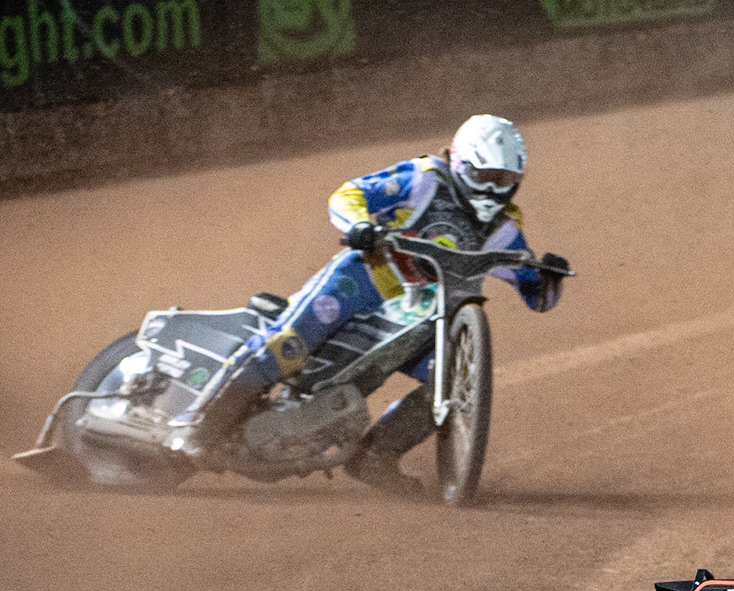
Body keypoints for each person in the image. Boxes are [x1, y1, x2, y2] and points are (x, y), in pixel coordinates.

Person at [171, 114, 568, 494]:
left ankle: (374, 457)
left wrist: (549, 275)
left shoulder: (503, 229)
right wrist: (360, 225)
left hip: (421, 317)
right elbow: (350, 194)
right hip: (362, 281)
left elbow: (538, 297)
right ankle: (198, 427)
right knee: (287, 345)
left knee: (447, 384)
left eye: (506, 180)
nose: (495, 188)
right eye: (486, 176)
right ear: (462, 164)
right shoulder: (423, 179)